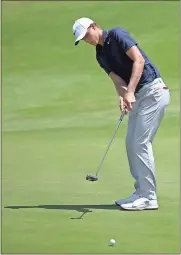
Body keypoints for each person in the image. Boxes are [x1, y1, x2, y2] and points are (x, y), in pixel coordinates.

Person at [72, 17, 170, 211]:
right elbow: (117, 80)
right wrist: (123, 95)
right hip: (139, 96)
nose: (87, 40)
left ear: (94, 26)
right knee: (130, 143)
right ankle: (141, 192)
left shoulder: (117, 34)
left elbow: (139, 60)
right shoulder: (100, 55)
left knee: (140, 143)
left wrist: (131, 91)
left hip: (153, 92)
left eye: (86, 35)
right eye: (83, 40)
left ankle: (149, 197)